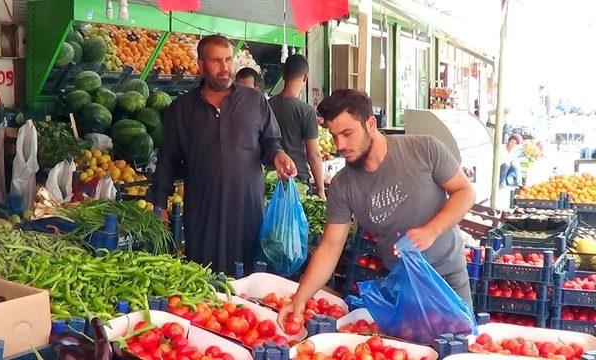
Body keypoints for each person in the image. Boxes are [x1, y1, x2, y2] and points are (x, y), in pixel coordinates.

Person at [277, 89, 476, 328]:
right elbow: (330, 246)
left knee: (458, 347)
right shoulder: (342, 185)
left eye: (347, 133)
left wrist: (431, 231)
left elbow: (465, 192)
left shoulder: (424, 149)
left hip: (448, 278)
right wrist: (299, 299)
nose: (340, 144)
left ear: (370, 124)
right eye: (334, 135)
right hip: (403, 287)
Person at [154, 35, 298, 274]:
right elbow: (167, 160)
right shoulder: (181, 110)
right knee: (203, 279)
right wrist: (159, 203)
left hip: (247, 211)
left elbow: (271, 141)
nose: (225, 68)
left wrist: (278, 156)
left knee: (247, 282)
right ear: (200, 66)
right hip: (203, 214)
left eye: (228, 60)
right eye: (216, 61)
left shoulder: (255, 102)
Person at [268, 54, 326, 200]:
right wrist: (320, 190)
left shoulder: (267, 105)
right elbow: (313, 154)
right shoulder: (306, 111)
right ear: (305, 78)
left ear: (283, 75)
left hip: (270, 177)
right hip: (297, 178)